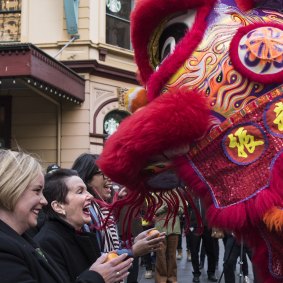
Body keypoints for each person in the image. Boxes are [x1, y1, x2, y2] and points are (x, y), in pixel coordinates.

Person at [0, 149, 107, 283]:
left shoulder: (23, 239)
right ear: (10, 190)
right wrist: (96, 277)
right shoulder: (7, 248)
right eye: (37, 190)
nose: (44, 201)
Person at [71, 153, 165, 274]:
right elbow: (91, 258)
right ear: (87, 180)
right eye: (102, 174)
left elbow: (113, 246)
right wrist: (133, 251)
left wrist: (134, 242)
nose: (109, 178)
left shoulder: (102, 209)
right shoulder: (85, 213)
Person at [35, 168, 133, 283]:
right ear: (58, 206)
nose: (90, 196)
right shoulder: (47, 243)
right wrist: (98, 278)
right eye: (80, 191)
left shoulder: (83, 233)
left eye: (86, 190)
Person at [154, 191, 183, 283]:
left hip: (174, 228)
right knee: (160, 255)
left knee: (172, 255)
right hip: (159, 229)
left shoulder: (176, 192)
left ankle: (172, 279)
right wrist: (165, 207)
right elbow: (153, 211)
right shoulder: (155, 193)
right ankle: (161, 280)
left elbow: (182, 210)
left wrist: (174, 207)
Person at [188, 197, 218, 283]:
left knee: (211, 251)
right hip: (195, 226)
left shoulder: (208, 194)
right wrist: (188, 225)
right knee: (194, 251)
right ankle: (196, 274)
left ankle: (211, 273)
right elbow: (186, 210)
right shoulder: (190, 193)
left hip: (207, 226)